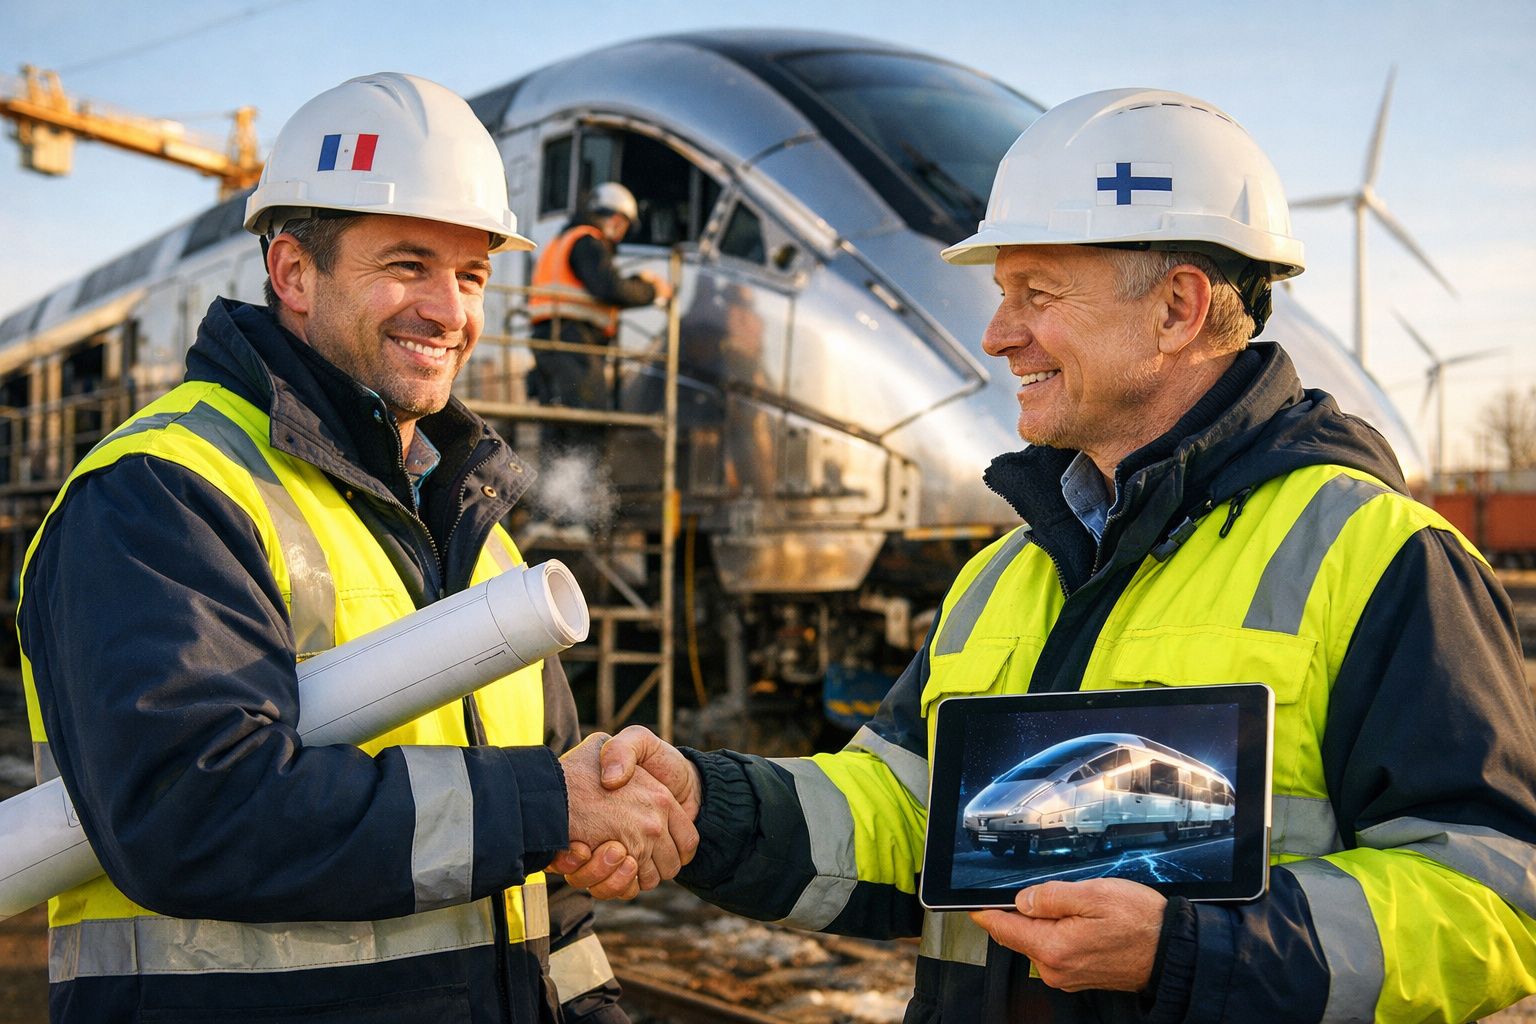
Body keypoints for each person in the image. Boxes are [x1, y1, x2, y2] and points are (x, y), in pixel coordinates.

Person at [560, 88, 1536, 1021]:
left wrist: (1190, 948)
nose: (997, 333)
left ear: (1179, 307)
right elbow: (905, 815)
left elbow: (1496, 896)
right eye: (1000, 293)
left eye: (1037, 291)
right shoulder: (1006, 576)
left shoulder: (1381, 559)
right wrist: (710, 802)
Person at [18, 72, 695, 1024]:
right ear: (292, 272)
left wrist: (593, 1000)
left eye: (469, 276)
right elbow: (191, 816)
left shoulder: (477, 535)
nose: (448, 312)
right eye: (406, 264)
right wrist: (550, 807)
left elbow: (544, 892)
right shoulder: (160, 493)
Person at [527, 182, 673, 466]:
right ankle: (582, 504)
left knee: (558, 430)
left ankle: (554, 503)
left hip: (553, 343)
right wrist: (651, 289)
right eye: (624, 226)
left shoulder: (564, 241)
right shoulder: (587, 242)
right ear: (616, 219)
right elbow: (608, 287)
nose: (620, 235)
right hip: (572, 345)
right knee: (587, 426)